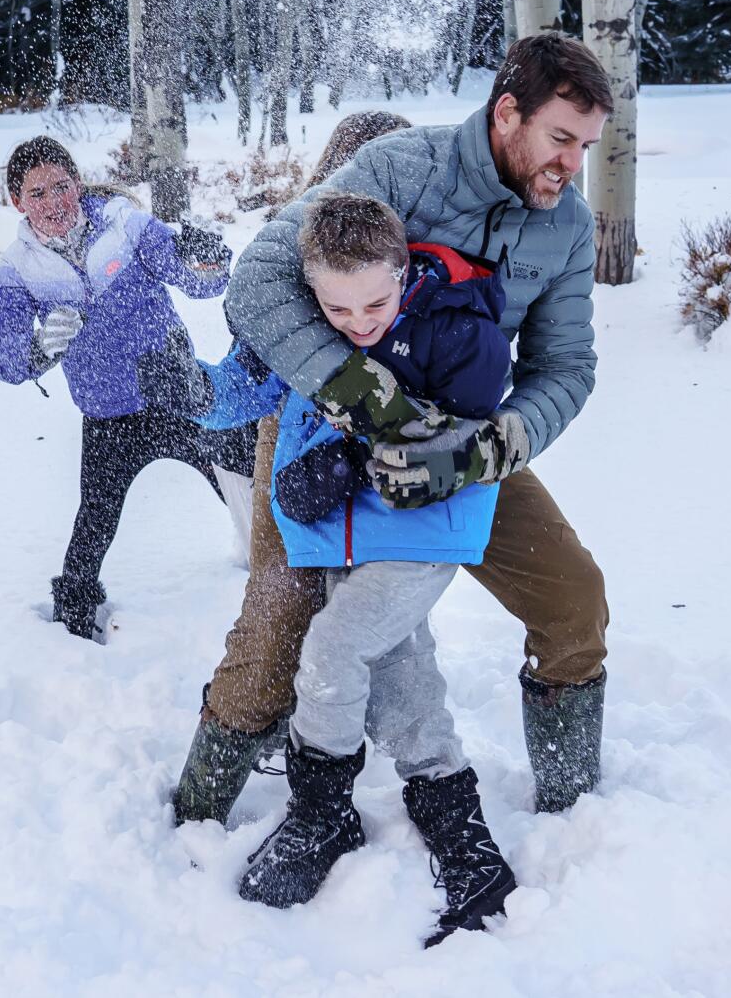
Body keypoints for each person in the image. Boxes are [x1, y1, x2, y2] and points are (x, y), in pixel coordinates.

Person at [172, 32, 614, 822]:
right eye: (561, 139)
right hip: (316, 426)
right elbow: (261, 282)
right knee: (277, 636)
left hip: (458, 444)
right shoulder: (403, 167)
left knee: (574, 600)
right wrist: (366, 397)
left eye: (585, 146)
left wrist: (486, 448)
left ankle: (575, 819)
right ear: (508, 114)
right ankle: (197, 815)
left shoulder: (566, 227)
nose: (572, 163)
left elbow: (565, 370)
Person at [193, 193, 519, 944]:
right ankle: (461, 833)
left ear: (404, 270)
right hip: (341, 536)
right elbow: (247, 385)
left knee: (334, 651)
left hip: (425, 532)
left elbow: (457, 430)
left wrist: (352, 460)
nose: (360, 322)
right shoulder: (306, 331)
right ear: (311, 293)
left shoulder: (454, 330)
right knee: (401, 676)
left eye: (376, 300)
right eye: (337, 309)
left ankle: (322, 812)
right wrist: (190, 385)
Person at [0, 135, 251, 640]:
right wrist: (37, 350)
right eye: (37, 194)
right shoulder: (19, 269)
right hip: (107, 414)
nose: (54, 202)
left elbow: (193, 278)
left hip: (177, 392)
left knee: (243, 474)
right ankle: (73, 622)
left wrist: (206, 260)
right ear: (17, 202)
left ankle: (278, 567)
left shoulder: (123, 225)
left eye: (61, 186)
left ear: (78, 184)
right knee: (96, 518)